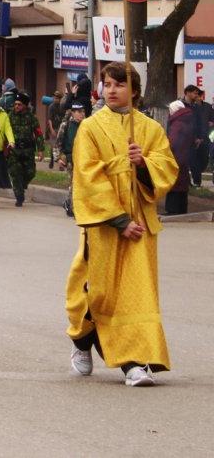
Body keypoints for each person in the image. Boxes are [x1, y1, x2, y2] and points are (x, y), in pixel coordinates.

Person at [65, 62, 178, 387]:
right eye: (107, 84)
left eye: (119, 84)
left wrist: (143, 164)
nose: (112, 90)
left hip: (141, 227)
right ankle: (82, 342)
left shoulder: (149, 129)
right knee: (94, 294)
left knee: (136, 295)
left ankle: (133, 362)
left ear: (135, 91)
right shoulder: (90, 127)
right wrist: (119, 220)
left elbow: (167, 168)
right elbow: (87, 175)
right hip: (104, 228)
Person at [7, 92, 40, 207]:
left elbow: (38, 133)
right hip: (14, 150)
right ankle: (19, 196)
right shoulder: (9, 116)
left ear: (25, 105)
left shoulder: (31, 117)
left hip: (28, 150)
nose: (16, 106)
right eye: (15, 104)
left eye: (19, 104)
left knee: (31, 172)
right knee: (15, 173)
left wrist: (40, 149)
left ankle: (21, 185)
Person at [57, 103, 86, 217]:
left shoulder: (86, 125)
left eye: (83, 111)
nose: (82, 114)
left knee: (83, 184)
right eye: (79, 112)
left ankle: (69, 203)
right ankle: (74, 209)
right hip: (70, 159)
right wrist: (59, 157)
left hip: (84, 159)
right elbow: (58, 143)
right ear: (73, 113)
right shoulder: (66, 125)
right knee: (74, 184)